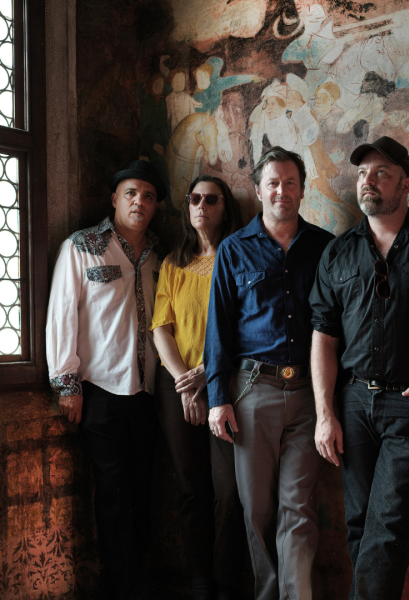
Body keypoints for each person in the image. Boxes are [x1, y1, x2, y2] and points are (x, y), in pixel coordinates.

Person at [310, 136, 409, 599]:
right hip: (352, 404)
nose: (368, 181)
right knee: (360, 526)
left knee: (388, 526)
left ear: (406, 184)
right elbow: (324, 339)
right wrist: (325, 413)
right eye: (362, 174)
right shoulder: (337, 253)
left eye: (381, 173)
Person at [204, 147, 334, 600]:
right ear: (259, 191)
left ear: (302, 189)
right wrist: (218, 397)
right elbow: (218, 327)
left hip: (307, 395)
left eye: (291, 182)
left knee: (298, 509)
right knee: (256, 510)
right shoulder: (234, 250)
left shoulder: (325, 246)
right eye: (273, 183)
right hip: (251, 390)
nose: (282, 190)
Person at [46, 160, 166, 600]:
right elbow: (61, 314)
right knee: (114, 497)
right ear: (114, 198)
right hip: (99, 392)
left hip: (147, 394)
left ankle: (139, 581)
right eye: (131, 192)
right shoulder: (81, 247)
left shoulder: (159, 253)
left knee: (141, 492)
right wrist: (67, 383)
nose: (140, 201)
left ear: (155, 207)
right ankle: (123, 588)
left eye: (149, 196)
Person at [150, 175, 245, 600]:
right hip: (179, 387)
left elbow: (244, 325)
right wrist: (183, 383)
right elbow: (160, 328)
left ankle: (227, 580)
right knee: (191, 488)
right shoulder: (173, 264)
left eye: (211, 199)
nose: (201, 205)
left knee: (228, 491)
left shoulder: (239, 255)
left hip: (227, 382)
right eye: (194, 198)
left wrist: (209, 372)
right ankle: (200, 581)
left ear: (225, 208)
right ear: (187, 206)